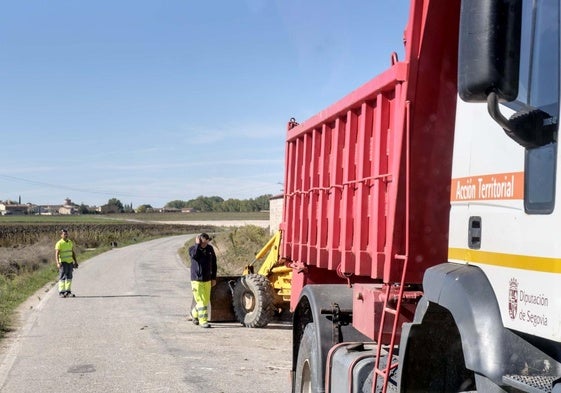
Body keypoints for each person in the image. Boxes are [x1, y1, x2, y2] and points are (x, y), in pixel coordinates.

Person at [188, 233, 217, 328]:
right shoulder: (193, 249)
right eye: (203, 243)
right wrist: (197, 245)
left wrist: (213, 278)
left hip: (207, 279)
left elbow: (214, 263)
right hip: (196, 280)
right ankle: (203, 321)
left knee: (205, 301)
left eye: (206, 242)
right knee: (201, 301)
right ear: (199, 241)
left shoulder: (210, 249)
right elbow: (194, 256)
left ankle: (194, 313)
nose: (205, 245)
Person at [55, 228, 78, 298]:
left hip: (70, 262)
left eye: (66, 234)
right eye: (64, 234)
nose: (66, 235)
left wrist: (75, 261)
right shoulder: (59, 243)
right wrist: (58, 263)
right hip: (63, 263)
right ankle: (61, 292)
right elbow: (56, 254)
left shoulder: (70, 242)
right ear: (61, 235)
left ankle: (68, 291)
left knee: (69, 277)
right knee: (62, 277)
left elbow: (72, 252)